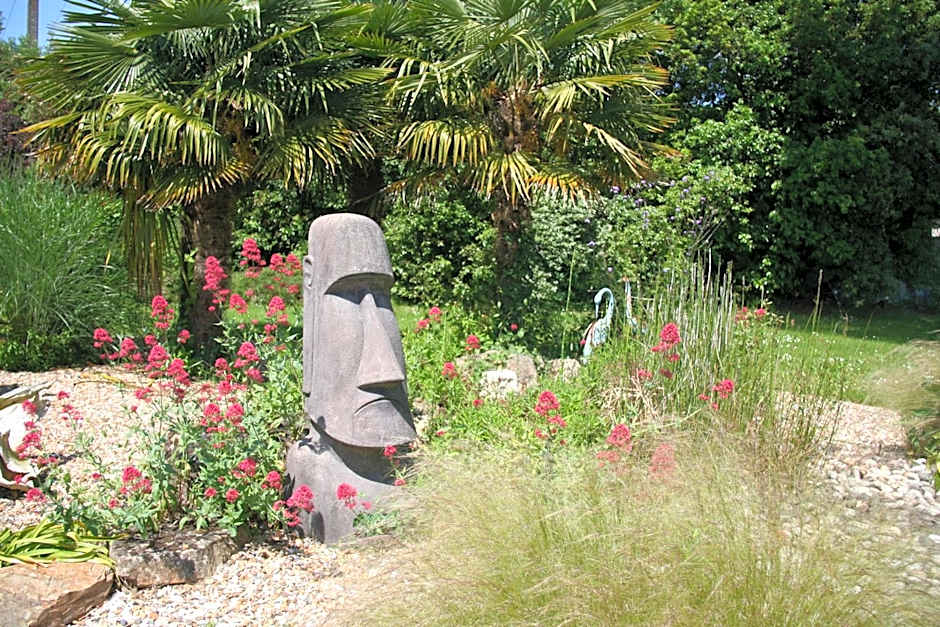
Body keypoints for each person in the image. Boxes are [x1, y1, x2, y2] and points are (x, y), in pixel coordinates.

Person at [287, 213, 416, 543]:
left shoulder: (412, 472)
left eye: (384, 297)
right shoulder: (311, 468)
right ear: (310, 285)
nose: (385, 366)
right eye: (348, 296)